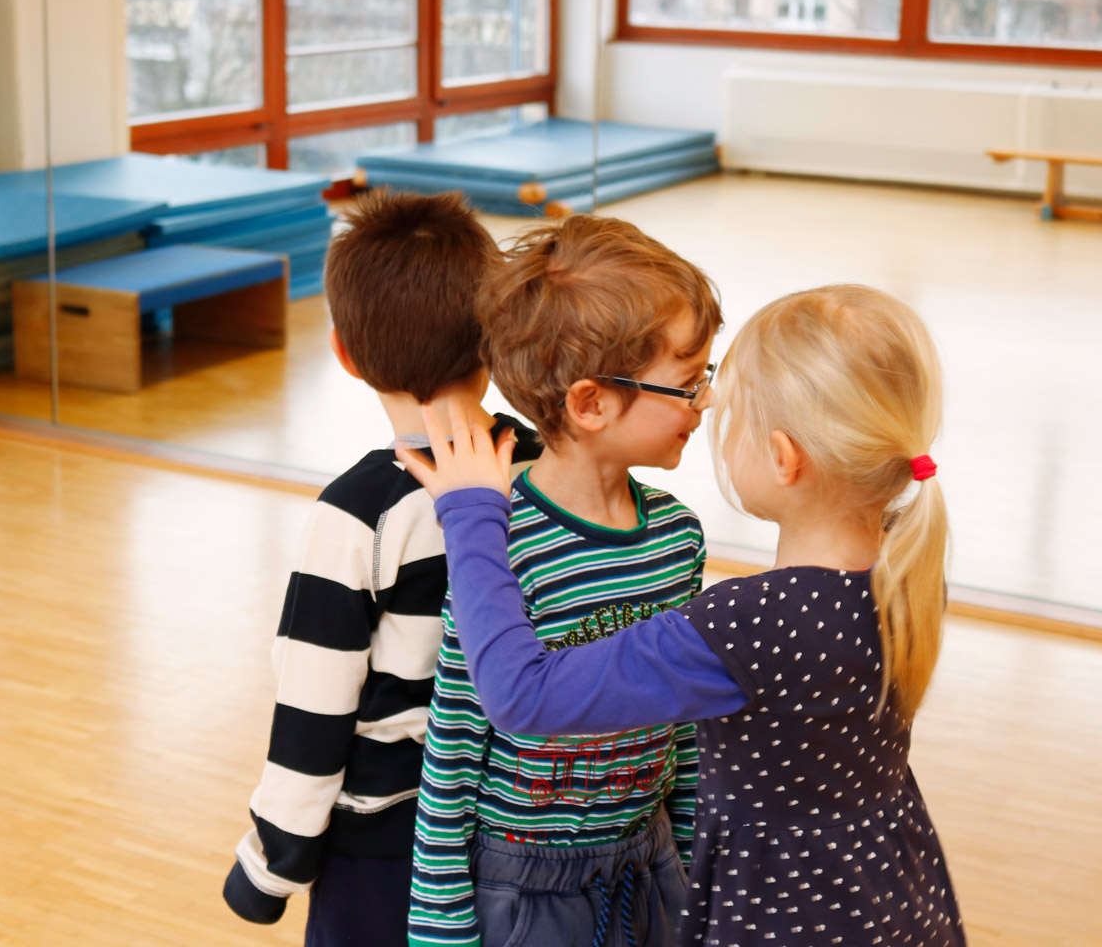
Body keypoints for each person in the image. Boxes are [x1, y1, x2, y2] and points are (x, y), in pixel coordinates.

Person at [400, 283, 966, 946]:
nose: (703, 414)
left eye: (725, 408)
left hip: (786, 921)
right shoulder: (901, 570)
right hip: (896, 899)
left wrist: (470, 513)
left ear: (784, 458)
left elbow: (523, 697)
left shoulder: (753, 621)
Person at [221, 190, 540, 946]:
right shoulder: (550, 467)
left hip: (388, 844)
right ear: (496, 340)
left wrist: (270, 869)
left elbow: (315, 706)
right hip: (526, 817)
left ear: (345, 353)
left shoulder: (358, 513)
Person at [407, 215, 724, 947]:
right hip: (523, 889)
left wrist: (694, 854)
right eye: (687, 383)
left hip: (649, 864)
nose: (704, 402)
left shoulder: (678, 535)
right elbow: (452, 746)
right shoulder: (501, 545)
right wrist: (441, 928)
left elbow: (684, 725)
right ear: (590, 403)